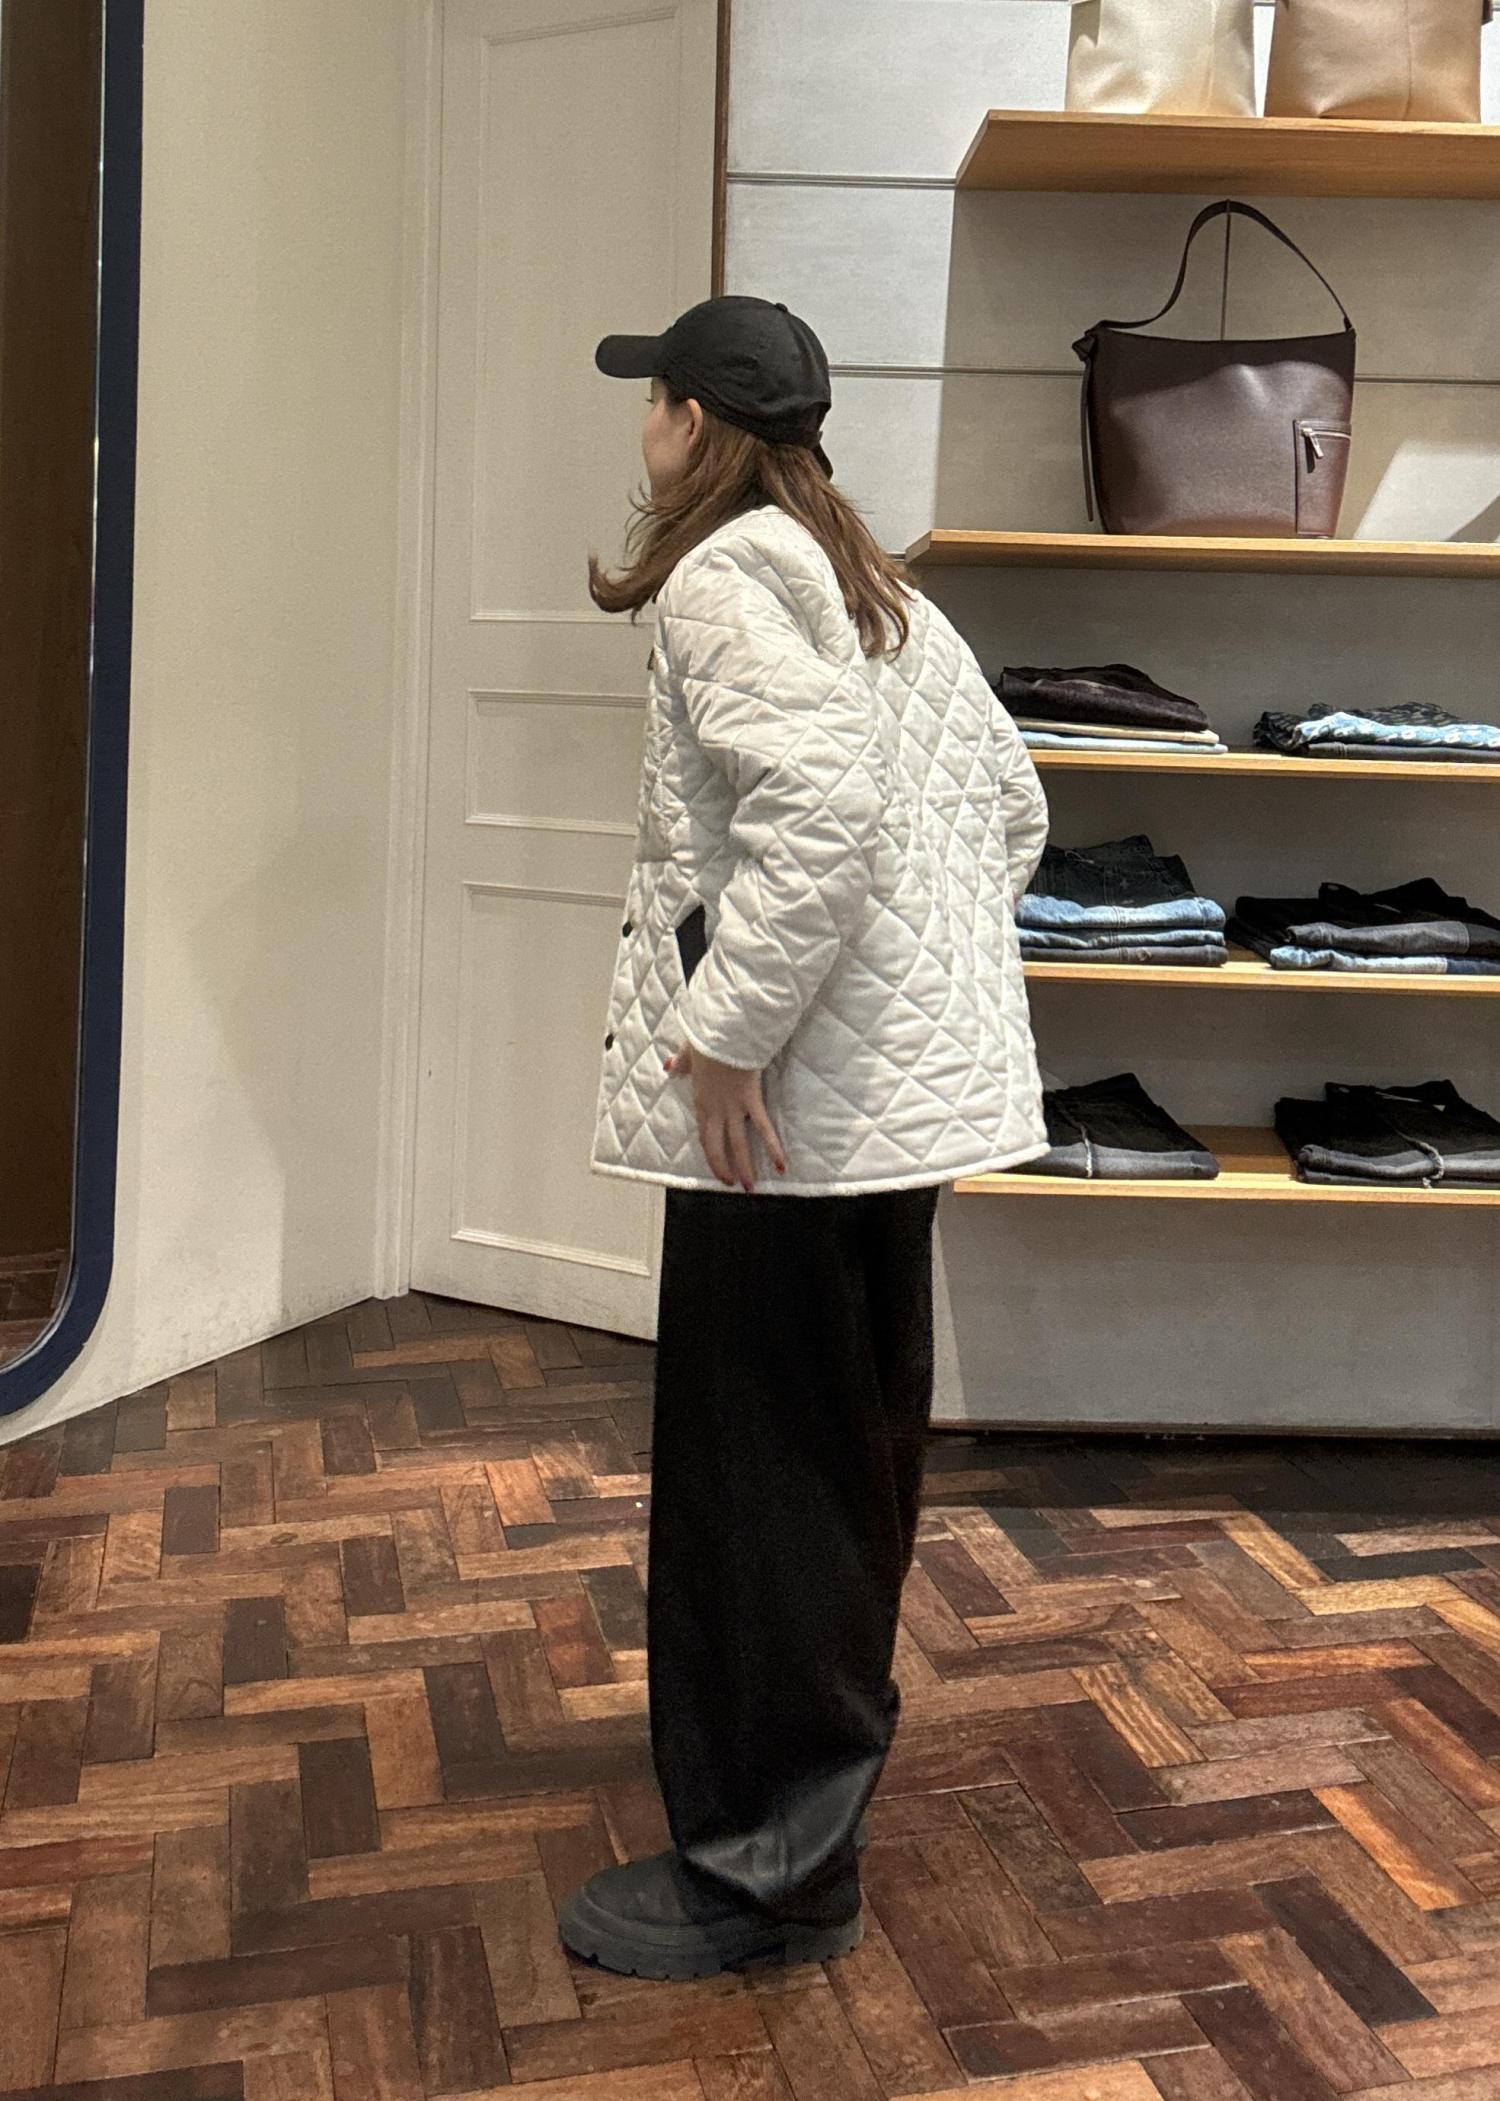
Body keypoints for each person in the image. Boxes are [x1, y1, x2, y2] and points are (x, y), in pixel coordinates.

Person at [559, 294, 1049, 1979]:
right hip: (883, 1128)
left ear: (696, 422)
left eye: (654, 398)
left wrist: (732, 1033)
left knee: (755, 1483)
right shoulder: (882, 588)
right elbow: (1012, 811)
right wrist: (902, 1001)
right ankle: (803, 1831)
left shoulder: (721, 577)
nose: (643, 424)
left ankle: (762, 1873)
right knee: (844, 1471)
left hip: (780, 1128)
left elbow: (822, 813)